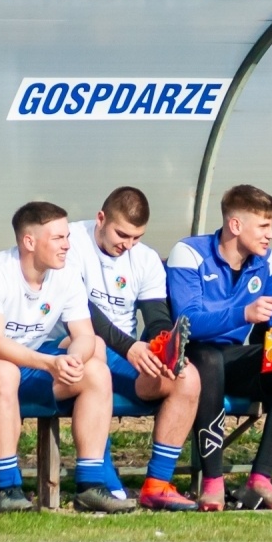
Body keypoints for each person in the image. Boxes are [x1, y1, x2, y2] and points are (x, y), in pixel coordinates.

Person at [0, 201, 134, 514]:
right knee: (5, 373)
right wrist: (50, 363)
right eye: (58, 238)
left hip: (27, 362)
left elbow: (85, 336)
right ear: (29, 242)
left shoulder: (67, 275)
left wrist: (73, 359)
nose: (67, 245)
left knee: (96, 371)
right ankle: (8, 489)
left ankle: (90, 486)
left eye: (67, 236)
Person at [166, 185, 272, 511]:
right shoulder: (189, 253)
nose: (271, 235)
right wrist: (243, 313)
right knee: (208, 359)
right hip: (193, 359)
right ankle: (213, 482)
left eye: (271, 226)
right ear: (235, 225)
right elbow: (187, 322)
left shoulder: (267, 261)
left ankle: (260, 479)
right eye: (263, 226)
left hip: (233, 360)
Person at [72, 187, 200, 512]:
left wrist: (163, 348)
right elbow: (79, 312)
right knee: (93, 347)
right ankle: (99, 476)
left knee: (187, 377)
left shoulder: (145, 258)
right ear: (101, 218)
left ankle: (157, 485)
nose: (128, 245)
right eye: (122, 234)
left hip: (121, 355)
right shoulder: (70, 243)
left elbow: (156, 317)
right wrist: (130, 347)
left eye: (137, 237)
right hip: (72, 351)